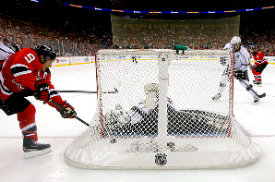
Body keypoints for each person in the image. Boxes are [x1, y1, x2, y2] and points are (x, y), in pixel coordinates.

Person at [0, 44, 76, 158]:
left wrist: (63, 107)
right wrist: (36, 86)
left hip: (6, 94)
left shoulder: (44, 74)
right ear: (42, 57)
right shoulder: (29, 54)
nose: (51, 64)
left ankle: (30, 143)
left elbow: (49, 92)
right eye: (50, 61)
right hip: (2, 86)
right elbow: (17, 68)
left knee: (28, 110)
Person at [212, 36, 266, 103]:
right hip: (230, 67)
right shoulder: (228, 46)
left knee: (245, 83)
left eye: (235, 45)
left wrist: (239, 71)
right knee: (223, 80)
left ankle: (256, 96)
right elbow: (223, 54)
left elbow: (246, 64)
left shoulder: (244, 53)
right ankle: (218, 94)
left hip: (241, 69)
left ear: (239, 44)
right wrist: (222, 59)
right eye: (232, 45)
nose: (233, 47)